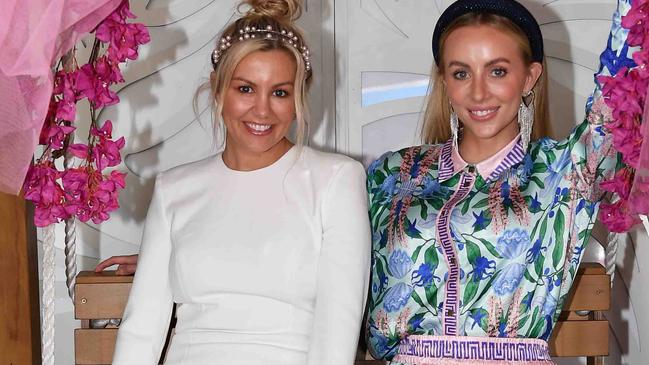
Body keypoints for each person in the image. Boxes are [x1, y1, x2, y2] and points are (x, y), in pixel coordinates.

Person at [365, 0, 643, 363]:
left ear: (529, 77)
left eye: (497, 71)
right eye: (461, 73)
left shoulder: (566, 171)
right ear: (444, 80)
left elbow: (622, 79)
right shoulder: (393, 174)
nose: (478, 93)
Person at [108, 0, 371, 363]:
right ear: (218, 91)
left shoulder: (336, 181)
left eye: (280, 93)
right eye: (246, 89)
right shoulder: (174, 189)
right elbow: (141, 330)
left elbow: (336, 335)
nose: (262, 110)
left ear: (297, 100)